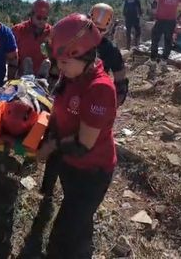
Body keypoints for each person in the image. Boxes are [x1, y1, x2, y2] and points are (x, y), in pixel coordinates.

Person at [36, 13, 117, 258]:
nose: (59, 68)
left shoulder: (99, 89)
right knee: (78, 224)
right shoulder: (73, 74)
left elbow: (83, 145)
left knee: (61, 242)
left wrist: (49, 147)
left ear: (84, 55)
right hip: (71, 166)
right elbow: (59, 109)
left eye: (63, 63)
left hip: (91, 173)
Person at [149, 0, 181, 73]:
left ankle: (153, 62)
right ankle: (163, 62)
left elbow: (153, 4)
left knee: (155, 40)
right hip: (171, 22)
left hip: (160, 21)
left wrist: (154, 13)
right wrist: (180, 15)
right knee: (168, 42)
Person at [12, 0, 52, 78]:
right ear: (31, 15)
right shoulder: (18, 30)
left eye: (45, 18)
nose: (42, 21)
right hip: (21, 77)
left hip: (43, 79)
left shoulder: (52, 33)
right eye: (39, 17)